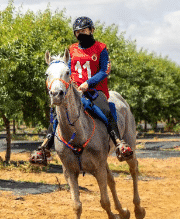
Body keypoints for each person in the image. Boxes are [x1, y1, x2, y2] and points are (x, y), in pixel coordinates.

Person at [29, 16, 134, 165]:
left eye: (84, 30)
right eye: (78, 31)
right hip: (75, 90)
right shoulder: (72, 49)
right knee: (57, 113)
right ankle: (45, 147)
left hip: (95, 90)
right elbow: (69, 68)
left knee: (105, 110)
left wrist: (88, 83)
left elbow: (105, 70)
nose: (81, 33)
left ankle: (119, 142)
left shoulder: (101, 48)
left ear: (91, 30)